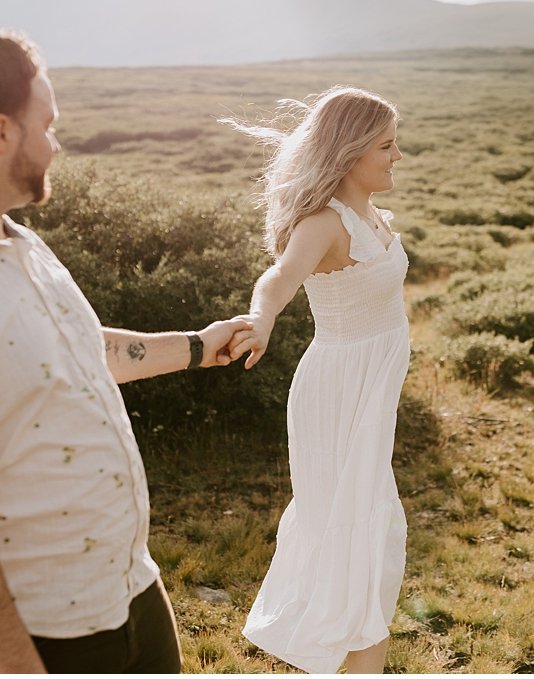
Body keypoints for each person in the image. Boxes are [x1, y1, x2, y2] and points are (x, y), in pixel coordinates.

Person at [0, 29, 255, 673]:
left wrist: (198, 347)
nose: (57, 143)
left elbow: (80, 357)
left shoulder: (18, 243)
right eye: (49, 124)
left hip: (124, 595)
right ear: (1, 133)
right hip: (24, 639)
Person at [221, 87, 411, 674]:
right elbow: (279, 278)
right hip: (338, 395)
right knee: (351, 531)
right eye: (386, 145)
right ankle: (345, 658)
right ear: (352, 151)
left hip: (371, 393)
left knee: (369, 531)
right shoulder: (325, 222)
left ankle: (355, 661)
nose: (396, 156)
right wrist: (261, 318)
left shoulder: (371, 216)